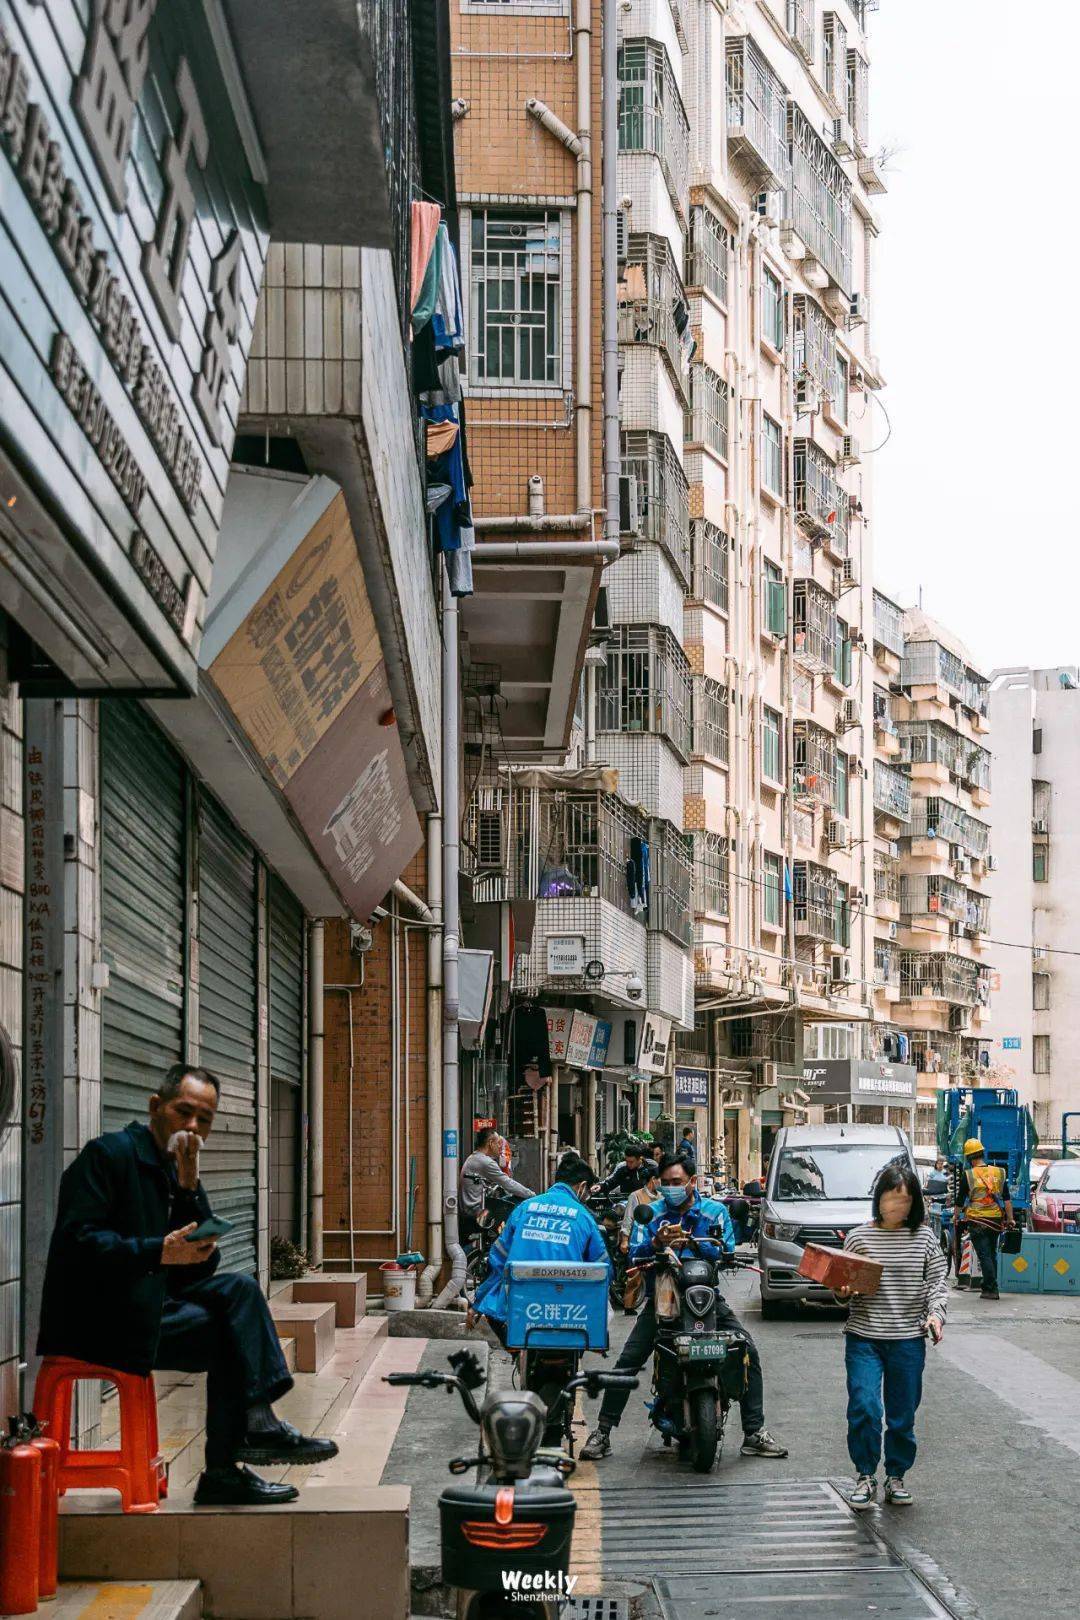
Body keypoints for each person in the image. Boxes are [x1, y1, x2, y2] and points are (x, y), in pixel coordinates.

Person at [37, 1065, 338, 1506]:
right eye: (184, 1112)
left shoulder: (178, 1171)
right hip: (97, 1321)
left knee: (238, 1290)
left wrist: (190, 1188)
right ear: (156, 1108)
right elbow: (76, 1243)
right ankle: (235, 1454)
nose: (193, 1127)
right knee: (227, 1334)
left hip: (150, 1308)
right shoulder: (107, 1156)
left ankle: (242, 1445)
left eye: (205, 1119)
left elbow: (196, 1271)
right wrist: (158, 1250)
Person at [580, 1154, 787, 1461]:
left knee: (747, 1350)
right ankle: (603, 1432)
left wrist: (692, 1242)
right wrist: (656, 1243)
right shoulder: (651, 1214)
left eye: (676, 1182)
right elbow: (633, 1252)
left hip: (706, 1298)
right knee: (628, 1361)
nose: (670, 1188)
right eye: (665, 1184)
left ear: (692, 1182)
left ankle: (753, 1431)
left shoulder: (715, 1211)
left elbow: (726, 1248)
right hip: (663, 1301)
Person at [836, 1163, 948, 1510]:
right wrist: (843, 1291)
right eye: (890, 1199)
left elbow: (937, 1284)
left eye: (904, 1201)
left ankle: (896, 1474)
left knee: (902, 1415)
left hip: (907, 1341)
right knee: (865, 1406)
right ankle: (866, 1474)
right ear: (879, 1200)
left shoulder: (925, 1238)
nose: (897, 1207)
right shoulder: (858, 1238)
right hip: (864, 1338)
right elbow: (842, 1293)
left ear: (914, 1203)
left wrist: (935, 1315)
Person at [469, 1153, 610, 1344]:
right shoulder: (584, 1217)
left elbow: (498, 1258)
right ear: (582, 1187)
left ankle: (518, 1357)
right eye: (587, 1193)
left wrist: (479, 1302)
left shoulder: (524, 1208)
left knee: (497, 1312)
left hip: (522, 1306)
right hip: (567, 1309)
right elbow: (602, 1267)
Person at [953, 1137, 1015, 1300]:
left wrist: (956, 1216)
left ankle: (991, 1289)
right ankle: (989, 1286)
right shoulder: (999, 1172)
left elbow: (960, 1201)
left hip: (977, 1220)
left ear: (969, 1157)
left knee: (984, 1254)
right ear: (982, 1153)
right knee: (991, 1253)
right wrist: (1010, 1219)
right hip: (995, 1219)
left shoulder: (969, 1175)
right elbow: (1007, 1199)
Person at [459, 1126, 533, 1245]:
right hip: (477, 1211)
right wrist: (531, 1195)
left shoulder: (475, 1158)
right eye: (498, 1143)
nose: (500, 1147)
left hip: (470, 1208)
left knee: (507, 1201)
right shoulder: (485, 1162)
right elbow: (508, 1183)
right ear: (490, 1143)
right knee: (516, 1205)